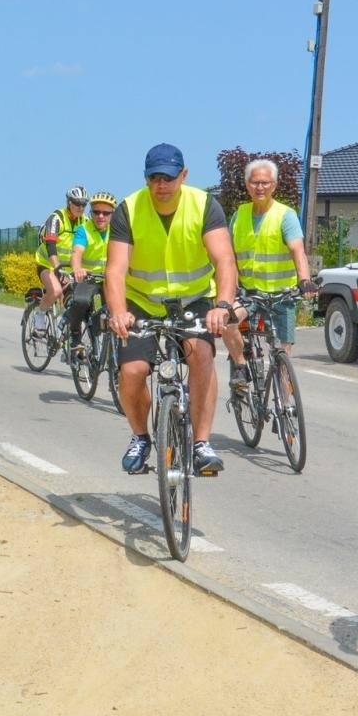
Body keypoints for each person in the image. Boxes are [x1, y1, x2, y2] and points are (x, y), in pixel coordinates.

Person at [104, 144, 239, 476]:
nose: (161, 185)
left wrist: (222, 305)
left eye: (168, 177)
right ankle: (140, 438)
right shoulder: (129, 209)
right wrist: (118, 312)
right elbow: (115, 270)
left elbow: (224, 259)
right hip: (142, 301)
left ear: (184, 175)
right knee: (133, 371)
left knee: (201, 355)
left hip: (194, 301)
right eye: (154, 178)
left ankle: (201, 444)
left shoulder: (205, 205)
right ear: (146, 178)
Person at [219, 159, 314, 393]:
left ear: (274, 185)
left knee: (283, 353)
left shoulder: (286, 215)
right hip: (249, 294)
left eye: (265, 183)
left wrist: (305, 281)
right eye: (255, 182)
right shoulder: (238, 215)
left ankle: (286, 409)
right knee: (227, 322)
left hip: (282, 295)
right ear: (247, 185)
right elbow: (227, 256)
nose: (259, 187)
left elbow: (298, 251)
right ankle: (241, 364)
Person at [31, 186, 88, 335]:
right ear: (69, 202)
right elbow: (50, 244)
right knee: (55, 290)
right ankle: (40, 315)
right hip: (47, 263)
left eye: (84, 204)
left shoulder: (86, 222)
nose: (80, 207)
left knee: (75, 301)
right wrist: (56, 266)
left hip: (67, 267)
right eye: (77, 203)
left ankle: (65, 337)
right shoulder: (57, 218)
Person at [63, 191, 116, 352]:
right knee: (81, 302)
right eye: (96, 212)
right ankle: (75, 334)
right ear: (91, 213)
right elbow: (76, 252)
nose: (101, 216)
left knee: (117, 310)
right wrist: (77, 269)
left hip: (109, 278)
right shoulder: (83, 230)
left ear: (113, 214)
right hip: (88, 277)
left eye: (106, 213)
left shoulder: (117, 231)